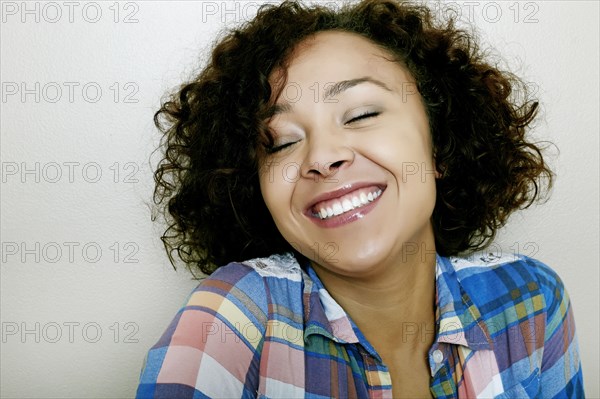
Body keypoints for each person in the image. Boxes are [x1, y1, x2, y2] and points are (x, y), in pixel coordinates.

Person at [136, 0, 584, 397]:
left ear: (441, 144)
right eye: (280, 141)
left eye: (362, 114)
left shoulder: (531, 299)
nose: (323, 156)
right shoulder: (231, 317)